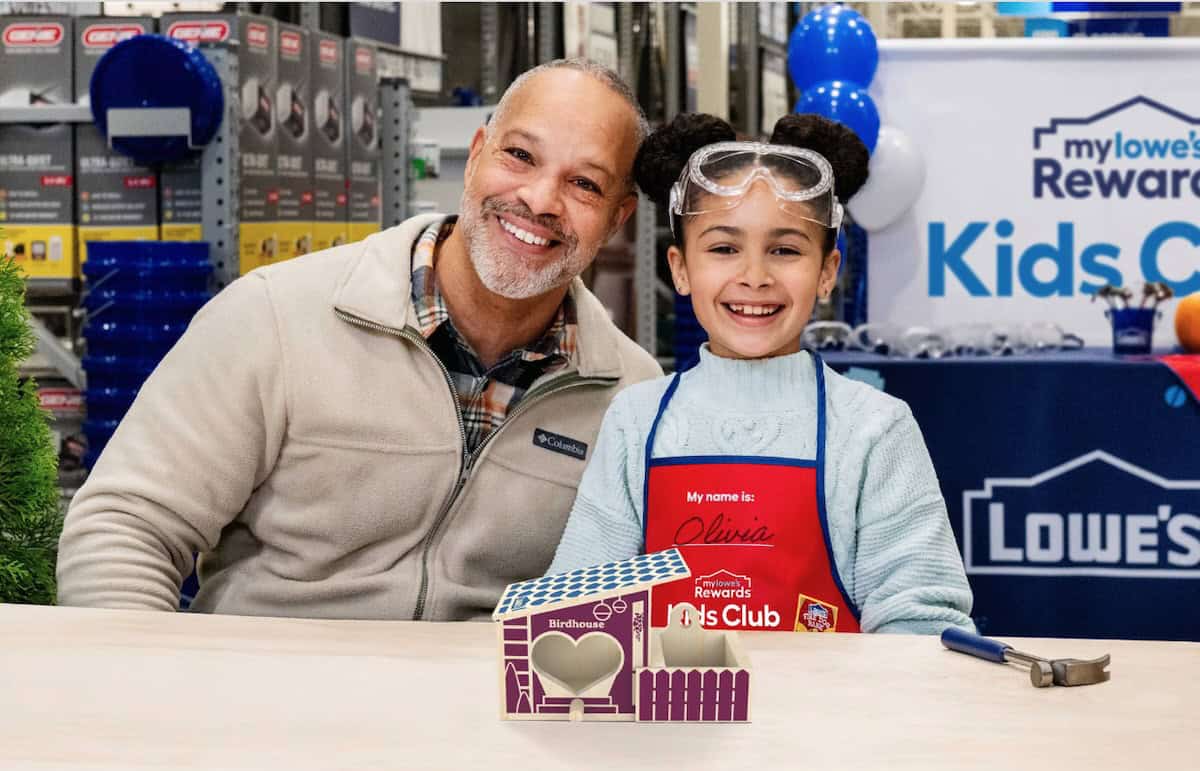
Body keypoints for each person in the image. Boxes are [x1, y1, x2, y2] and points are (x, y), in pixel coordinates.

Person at [56, 59, 661, 619]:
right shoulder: (274, 318)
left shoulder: (633, 401)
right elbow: (124, 528)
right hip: (260, 717)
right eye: (521, 156)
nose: (538, 199)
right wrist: (156, 702)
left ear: (617, 218)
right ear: (477, 154)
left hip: (483, 726)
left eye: (584, 184)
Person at [547, 113, 974, 634]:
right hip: (674, 714)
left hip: (832, 713)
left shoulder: (874, 429)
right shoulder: (637, 421)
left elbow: (921, 619)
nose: (754, 277)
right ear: (681, 269)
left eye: (786, 250)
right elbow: (577, 611)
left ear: (826, 272)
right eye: (724, 249)